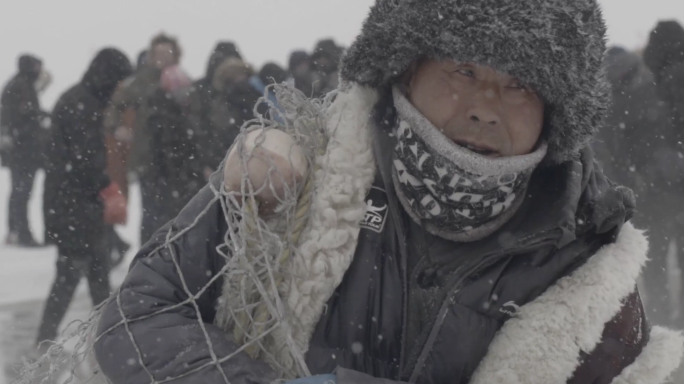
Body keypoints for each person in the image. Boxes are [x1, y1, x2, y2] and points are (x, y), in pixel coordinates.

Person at [95, 1, 684, 384]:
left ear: (555, 112)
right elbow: (143, 310)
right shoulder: (297, 176)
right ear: (406, 70)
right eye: (462, 71)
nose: (484, 109)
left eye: (521, 86)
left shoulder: (586, 270)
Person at [40, 48, 132, 345]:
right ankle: (46, 340)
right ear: (108, 76)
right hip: (73, 205)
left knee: (97, 272)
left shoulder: (82, 99)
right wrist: (109, 188)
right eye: (118, 80)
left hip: (77, 204)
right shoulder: (81, 104)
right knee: (70, 275)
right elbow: (84, 161)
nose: (120, 88)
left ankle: (105, 336)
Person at [595, 46, 684, 327]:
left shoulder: (609, 109)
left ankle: (661, 326)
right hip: (672, 195)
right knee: (664, 263)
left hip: (645, 202)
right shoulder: (658, 96)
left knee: (654, 267)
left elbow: (609, 162)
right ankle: (673, 324)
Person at [145, 65, 204, 232]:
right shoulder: (166, 116)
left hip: (178, 183)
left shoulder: (178, 112)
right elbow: (165, 154)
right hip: (173, 184)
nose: (185, 95)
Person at [0, 54, 50, 247]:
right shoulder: (21, 86)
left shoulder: (18, 84)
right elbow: (23, 115)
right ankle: (22, 234)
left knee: (18, 192)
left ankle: (15, 231)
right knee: (21, 192)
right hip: (23, 150)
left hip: (20, 149)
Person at [188, 41, 243, 180]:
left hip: (233, 158)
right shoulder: (202, 91)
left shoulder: (244, 90)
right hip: (224, 160)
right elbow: (195, 128)